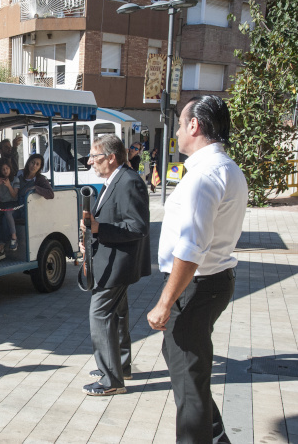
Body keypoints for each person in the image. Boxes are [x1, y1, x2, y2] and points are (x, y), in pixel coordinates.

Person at [146, 95, 247, 442]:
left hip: (196, 287)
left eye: (179, 123)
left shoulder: (205, 175)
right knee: (191, 375)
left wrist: (164, 302)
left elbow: (190, 249)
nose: (176, 131)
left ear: (194, 125)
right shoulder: (226, 168)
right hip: (210, 283)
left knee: (189, 385)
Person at [78, 134, 151, 396]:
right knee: (118, 315)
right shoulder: (115, 180)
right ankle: (120, 367)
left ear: (111, 157)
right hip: (111, 259)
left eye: (94, 157)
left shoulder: (129, 181)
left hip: (119, 264)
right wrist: (92, 232)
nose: (90, 162)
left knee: (100, 315)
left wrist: (100, 228)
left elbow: (138, 227)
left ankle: (111, 380)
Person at [0, 154, 54, 253]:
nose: (34, 166)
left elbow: (50, 194)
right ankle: (6, 243)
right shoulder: (20, 174)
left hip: (29, 210)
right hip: (17, 206)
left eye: (37, 164)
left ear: (40, 167)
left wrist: (35, 188)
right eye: (33, 162)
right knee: (4, 216)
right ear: (28, 163)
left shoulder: (40, 179)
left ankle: (11, 241)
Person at [0, 158, 19, 252]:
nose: (5, 171)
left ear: (10, 169)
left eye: (7, 168)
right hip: (2, 204)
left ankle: (14, 237)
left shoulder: (15, 179)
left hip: (13, 204)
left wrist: (8, 186)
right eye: (3, 169)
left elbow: (14, 195)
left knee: (7, 215)